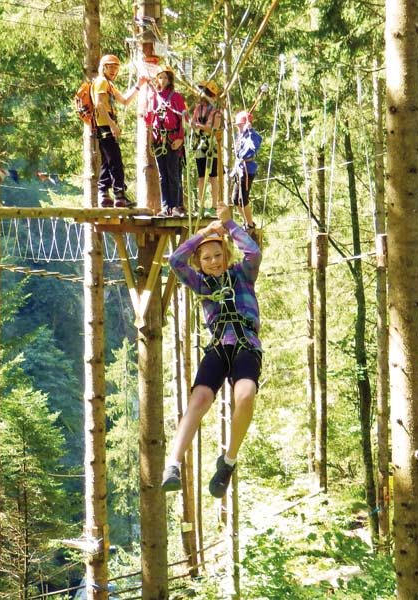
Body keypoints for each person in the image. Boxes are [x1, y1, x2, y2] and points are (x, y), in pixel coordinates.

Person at [162, 203, 262, 498]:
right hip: (220, 346)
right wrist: (205, 232)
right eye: (207, 258)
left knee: (244, 395)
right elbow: (176, 261)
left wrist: (229, 225)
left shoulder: (243, 275)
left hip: (245, 343)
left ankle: (228, 461)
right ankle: (173, 464)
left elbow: (254, 253)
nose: (214, 261)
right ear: (200, 262)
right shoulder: (200, 282)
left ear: (226, 255)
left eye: (218, 255)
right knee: (200, 398)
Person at [93, 54, 147, 208]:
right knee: (116, 162)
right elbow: (99, 105)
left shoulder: (108, 84)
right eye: (110, 67)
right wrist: (112, 125)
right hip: (105, 125)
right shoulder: (102, 82)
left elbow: (124, 100)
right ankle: (119, 195)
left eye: (116, 68)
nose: (113, 71)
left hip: (105, 126)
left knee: (107, 162)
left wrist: (138, 86)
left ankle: (104, 194)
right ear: (104, 68)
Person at [145, 66, 187, 217]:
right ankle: (165, 207)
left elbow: (183, 119)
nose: (162, 80)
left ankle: (175, 206)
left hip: (172, 140)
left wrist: (180, 139)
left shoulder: (176, 98)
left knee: (173, 175)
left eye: (165, 77)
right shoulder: (154, 97)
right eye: (160, 77)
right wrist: (150, 140)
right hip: (158, 140)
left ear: (169, 80)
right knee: (163, 176)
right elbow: (149, 120)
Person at [191, 81, 223, 217]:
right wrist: (195, 125)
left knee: (213, 176)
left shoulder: (216, 110)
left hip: (211, 146)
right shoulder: (198, 108)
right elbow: (193, 123)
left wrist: (199, 125)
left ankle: (214, 205)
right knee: (201, 176)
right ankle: (201, 205)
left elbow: (214, 129)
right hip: (200, 144)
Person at [230, 110, 262, 230]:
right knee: (235, 199)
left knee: (243, 198)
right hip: (239, 169)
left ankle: (249, 224)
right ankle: (248, 222)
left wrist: (249, 131)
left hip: (247, 169)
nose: (238, 128)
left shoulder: (252, 136)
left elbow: (254, 146)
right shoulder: (240, 136)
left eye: (240, 125)